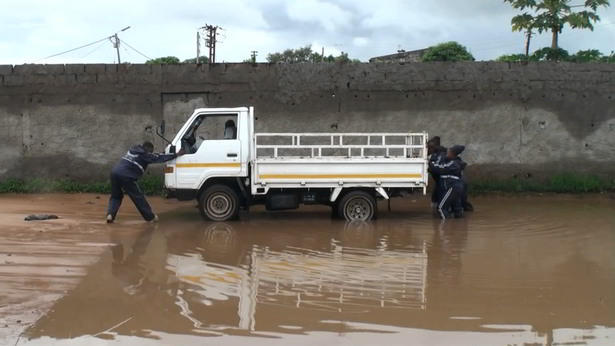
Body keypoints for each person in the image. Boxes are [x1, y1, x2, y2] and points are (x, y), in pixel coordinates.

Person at [106, 142, 183, 223]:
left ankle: (110, 215)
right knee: (138, 197)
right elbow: (157, 158)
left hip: (114, 173)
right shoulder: (145, 155)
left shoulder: (133, 150)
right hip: (126, 176)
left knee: (116, 196)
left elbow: (154, 155)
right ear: (147, 149)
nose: (150, 153)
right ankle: (150, 217)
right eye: (150, 151)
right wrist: (176, 154)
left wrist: (164, 153)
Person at [429, 145, 465, 220]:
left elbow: (439, 168)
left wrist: (430, 162)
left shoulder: (453, 163)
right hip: (453, 187)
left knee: (441, 208)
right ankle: (459, 228)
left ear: (453, 154)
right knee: (457, 210)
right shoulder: (451, 161)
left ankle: (446, 229)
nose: (447, 153)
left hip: (452, 187)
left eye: (449, 152)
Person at [427, 137, 447, 211]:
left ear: (432, 148)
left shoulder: (439, 156)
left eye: (427, 148)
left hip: (447, 183)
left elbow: (437, 169)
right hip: (442, 182)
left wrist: (429, 164)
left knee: (442, 206)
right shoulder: (442, 153)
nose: (426, 150)